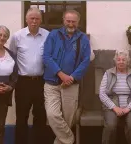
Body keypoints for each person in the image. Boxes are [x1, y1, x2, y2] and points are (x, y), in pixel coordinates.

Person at [43, 9, 91, 144]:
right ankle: (69, 139)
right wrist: (61, 74)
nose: (71, 24)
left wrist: (71, 78)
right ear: (63, 21)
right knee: (52, 115)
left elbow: (85, 60)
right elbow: (47, 57)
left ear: (78, 22)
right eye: (68, 21)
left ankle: (60, 142)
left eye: (74, 22)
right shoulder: (53, 35)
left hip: (71, 84)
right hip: (52, 83)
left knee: (68, 119)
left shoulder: (83, 38)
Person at [9, 7, 49, 144]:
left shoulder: (47, 35)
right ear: (26, 20)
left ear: (41, 20)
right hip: (23, 82)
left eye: (37, 18)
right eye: (31, 18)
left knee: (41, 116)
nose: (34, 21)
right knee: (21, 117)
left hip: (41, 82)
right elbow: (12, 58)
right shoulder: (17, 36)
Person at [99, 49, 131, 144]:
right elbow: (102, 93)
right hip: (112, 104)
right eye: (119, 60)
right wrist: (114, 107)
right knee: (110, 125)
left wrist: (128, 108)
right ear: (115, 61)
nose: (121, 62)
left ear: (127, 62)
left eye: (124, 60)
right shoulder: (108, 73)